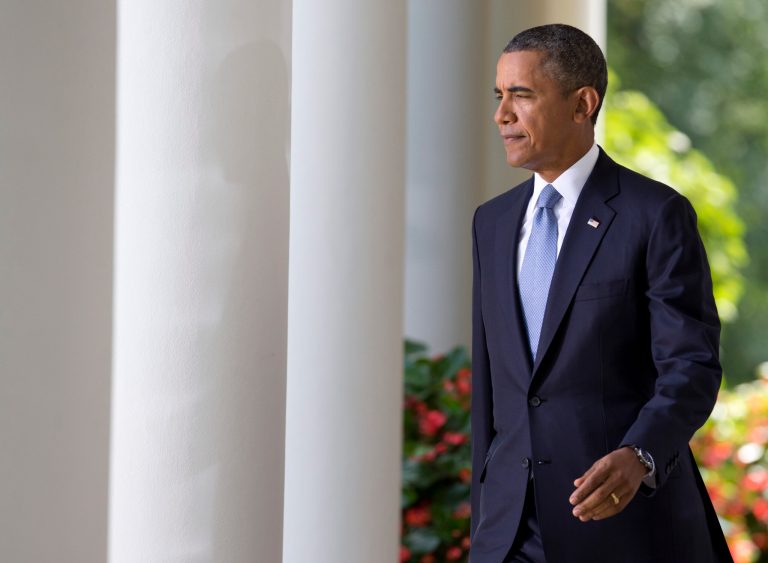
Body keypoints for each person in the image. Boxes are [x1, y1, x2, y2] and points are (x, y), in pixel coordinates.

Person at [469, 24, 732, 563]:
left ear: (582, 104)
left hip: (621, 526)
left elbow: (692, 365)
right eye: (499, 96)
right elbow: (492, 388)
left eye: (522, 95)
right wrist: (483, 519)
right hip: (508, 533)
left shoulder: (655, 214)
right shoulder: (490, 223)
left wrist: (640, 454)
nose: (502, 115)